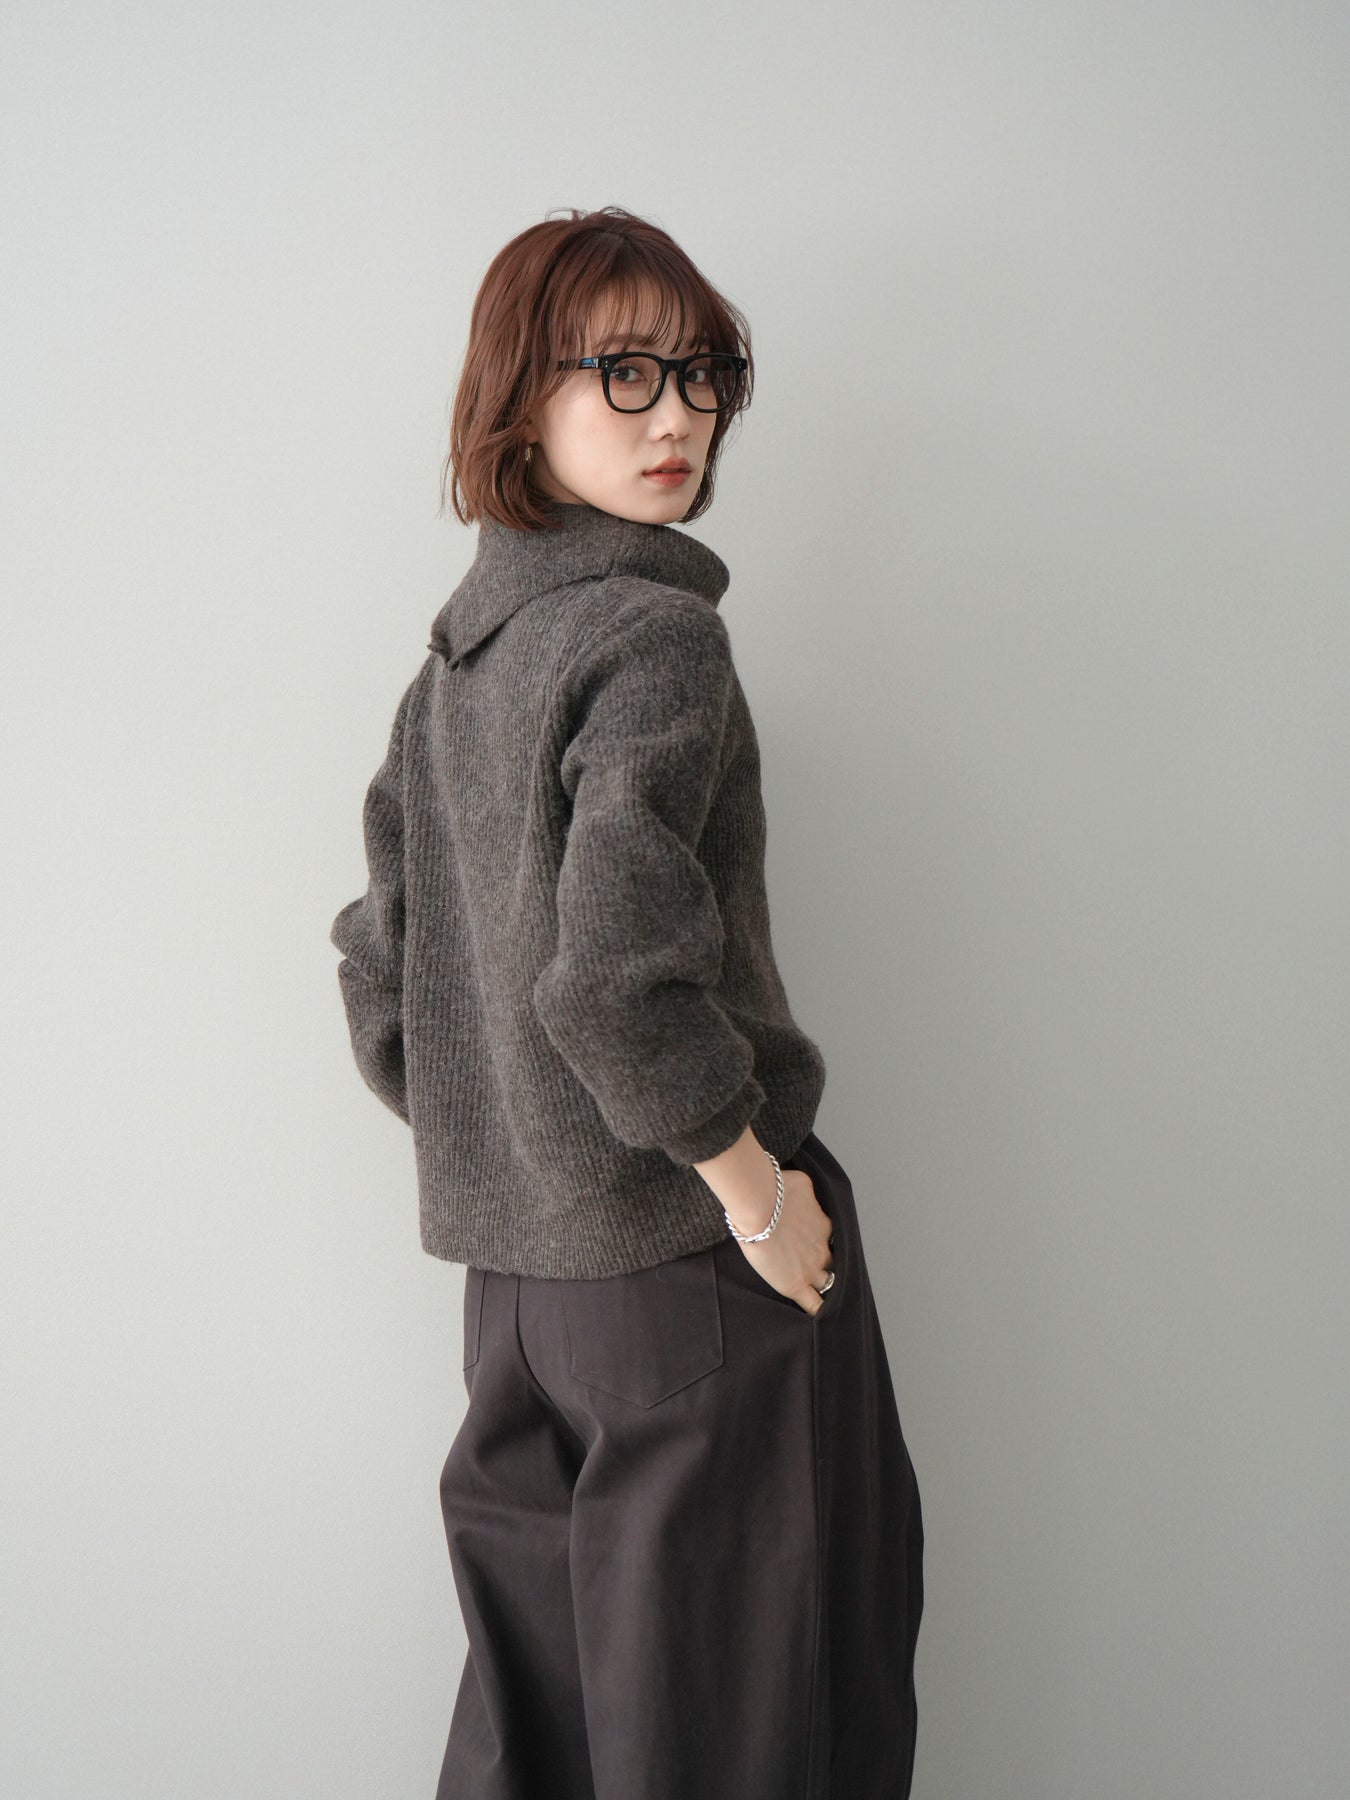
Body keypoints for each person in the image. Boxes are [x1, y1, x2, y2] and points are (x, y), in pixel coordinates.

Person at [329, 204, 924, 1799]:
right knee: (734, 1730)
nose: (678, 416)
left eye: (702, 372)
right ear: (519, 398)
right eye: (623, 372)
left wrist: (522, 1149)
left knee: (538, 1734)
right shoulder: (653, 637)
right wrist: (752, 1196)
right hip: (684, 1265)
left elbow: (383, 977)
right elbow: (611, 985)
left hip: (515, 1305)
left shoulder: (452, 673)